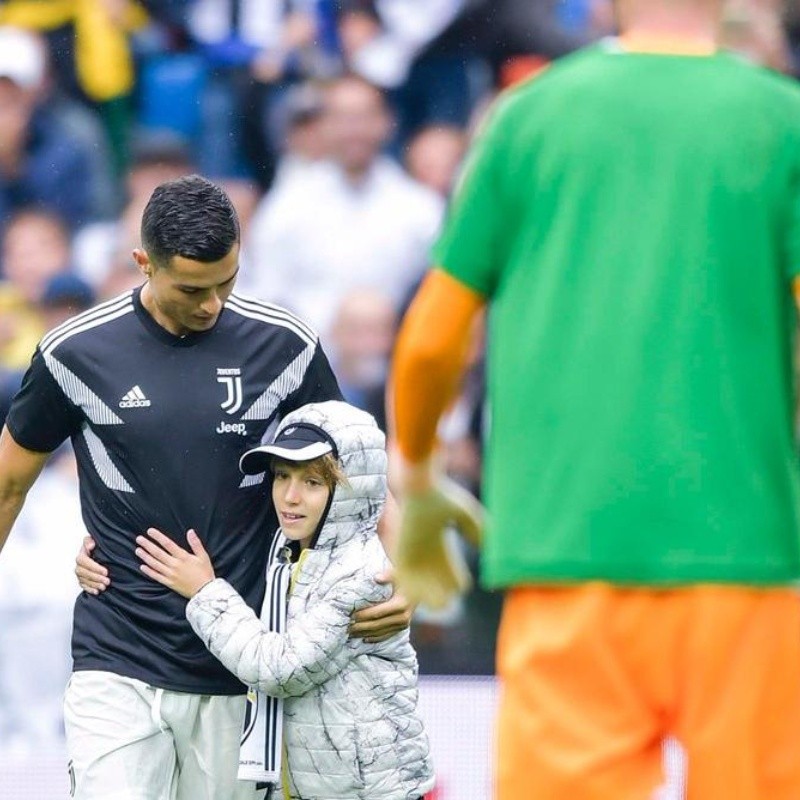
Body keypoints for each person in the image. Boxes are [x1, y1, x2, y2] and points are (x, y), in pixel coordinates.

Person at [387, 0, 800, 797]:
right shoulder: (783, 122)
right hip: (745, 557)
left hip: (564, 555)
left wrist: (416, 474)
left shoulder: (526, 118)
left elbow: (434, 338)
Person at [0, 174, 408, 800]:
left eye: (228, 281)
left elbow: (360, 470)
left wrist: (400, 573)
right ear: (143, 263)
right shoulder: (73, 354)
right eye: (192, 288)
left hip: (242, 664)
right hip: (117, 655)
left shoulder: (285, 345)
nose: (213, 303)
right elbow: (8, 484)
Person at [134, 400, 435, 800]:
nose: (290, 497)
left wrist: (205, 592)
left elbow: (280, 669)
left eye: (312, 482)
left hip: (373, 791)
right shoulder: (284, 548)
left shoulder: (365, 573)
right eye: (281, 477)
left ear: (352, 489)